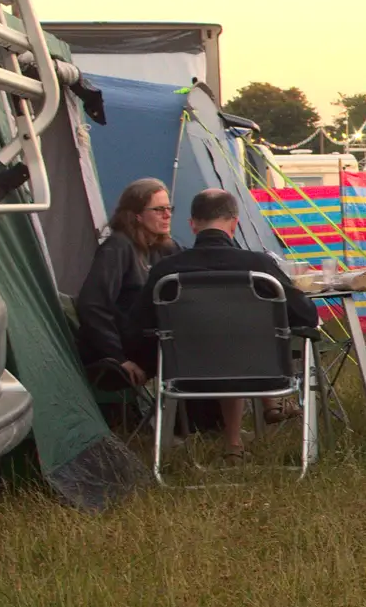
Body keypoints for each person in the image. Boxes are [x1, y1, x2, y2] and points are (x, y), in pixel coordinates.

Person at [130, 189, 319, 462]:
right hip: (260, 374)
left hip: (184, 376)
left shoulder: (166, 272)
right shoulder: (259, 266)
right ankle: (272, 429)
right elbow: (306, 316)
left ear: (192, 224)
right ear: (235, 223)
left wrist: (136, 358)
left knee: (219, 343)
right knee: (237, 342)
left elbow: (140, 323)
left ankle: (228, 444)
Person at [76, 178, 180, 385]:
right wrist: (119, 358)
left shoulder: (165, 248)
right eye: (159, 209)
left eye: (169, 208)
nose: (167, 215)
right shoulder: (117, 247)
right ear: (137, 215)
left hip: (154, 341)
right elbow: (92, 305)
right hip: (122, 350)